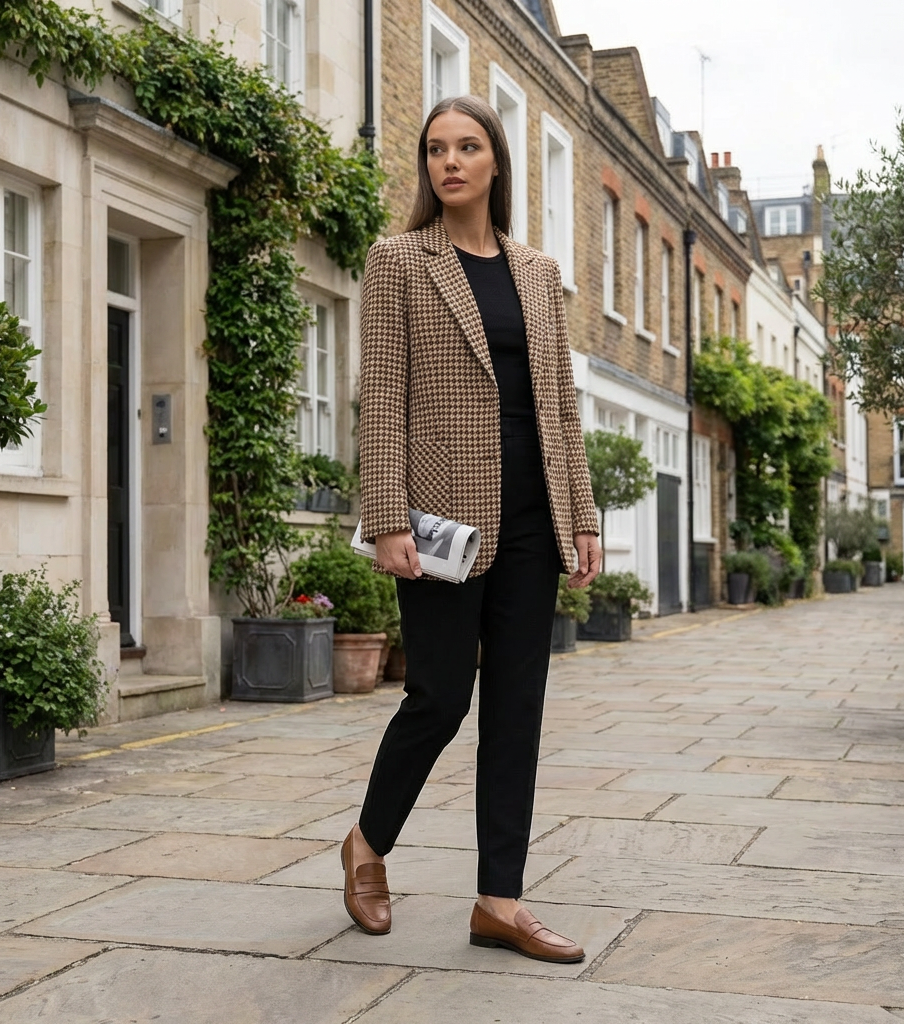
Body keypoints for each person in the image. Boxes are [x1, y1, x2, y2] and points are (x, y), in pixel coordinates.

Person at [341, 94, 601, 964]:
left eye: (467, 147)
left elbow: (559, 404)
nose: (449, 161)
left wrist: (582, 518)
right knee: (441, 697)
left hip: (534, 516)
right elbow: (380, 397)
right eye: (436, 149)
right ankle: (368, 843)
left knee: (518, 710)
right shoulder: (399, 261)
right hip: (443, 520)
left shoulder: (534, 271)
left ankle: (500, 899)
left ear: (496, 164)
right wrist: (384, 518)